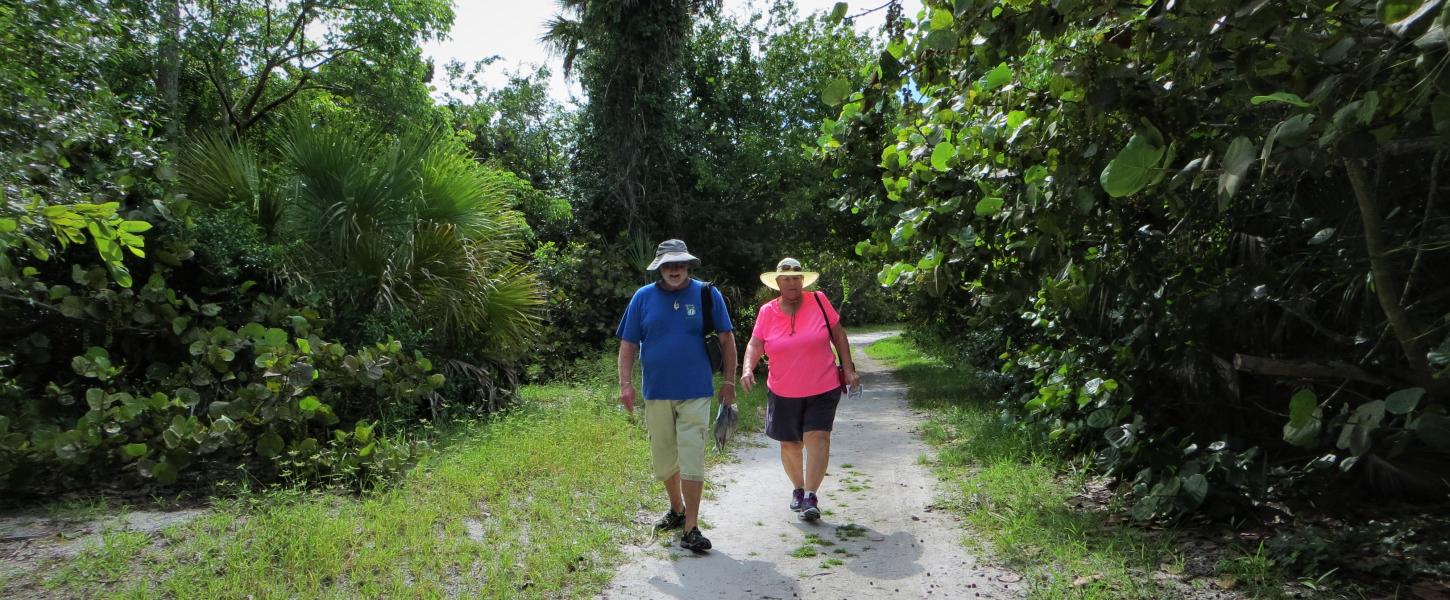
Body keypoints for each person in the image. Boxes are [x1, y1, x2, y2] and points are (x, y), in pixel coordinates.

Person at [616, 239, 737, 551]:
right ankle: (677, 509)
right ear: (659, 267)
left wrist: (729, 382)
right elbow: (628, 344)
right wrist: (625, 385)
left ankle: (692, 527)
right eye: (669, 264)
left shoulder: (707, 294)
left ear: (688, 265)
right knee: (664, 456)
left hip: (696, 391)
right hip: (656, 392)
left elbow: (726, 339)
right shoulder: (643, 298)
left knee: (692, 454)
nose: (675, 270)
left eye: (680, 264)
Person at [738, 257, 860, 522]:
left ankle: (811, 496)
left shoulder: (819, 301)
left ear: (802, 281)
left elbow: (838, 335)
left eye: (796, 278)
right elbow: (755, 345)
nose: (792, 283)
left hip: (823, 386)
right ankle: (798, 488)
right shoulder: (767, 311)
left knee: (817, 436)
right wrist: (748, 368)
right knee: (791, 445)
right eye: (786, 279)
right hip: (783, 390)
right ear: (778, 283)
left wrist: (848, 369)